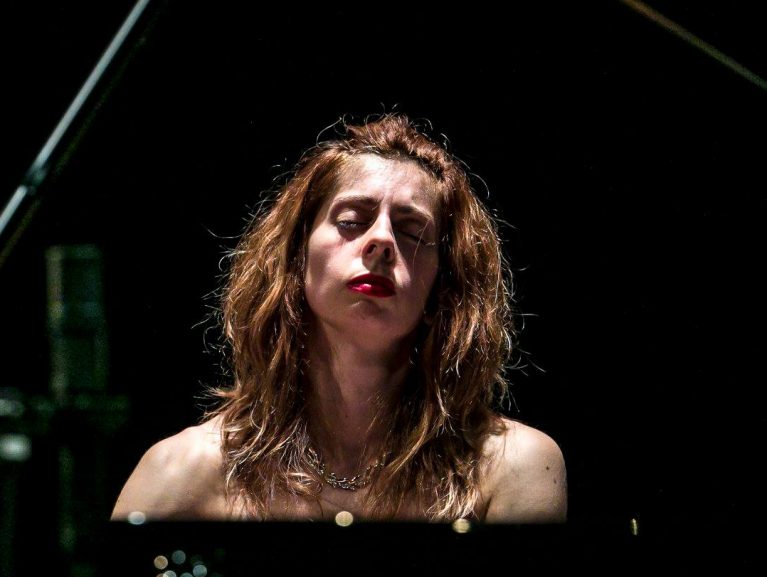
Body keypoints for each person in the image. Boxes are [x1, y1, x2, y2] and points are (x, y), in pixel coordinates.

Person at [111, 113, 567, 523]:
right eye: (351, 220)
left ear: (443, 285)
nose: (382, 240)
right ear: (295, 258)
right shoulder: (184, 471)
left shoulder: (511, 467)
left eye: (412, 231)